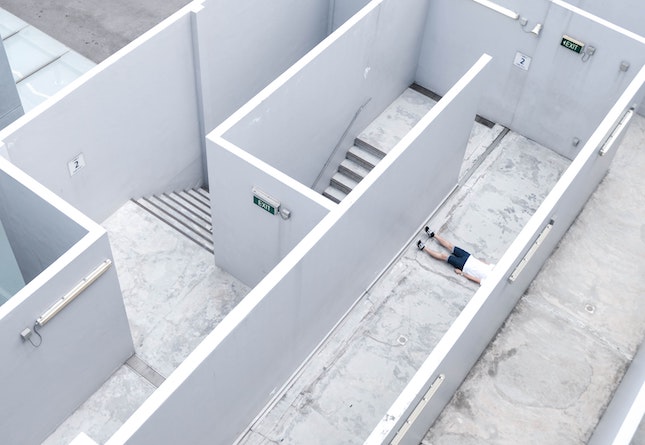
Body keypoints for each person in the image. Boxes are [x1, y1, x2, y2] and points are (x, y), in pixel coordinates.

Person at [417, 227, 494, 285]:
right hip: (469, 257)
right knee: (451, 246)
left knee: (444, 257)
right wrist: (474, 259)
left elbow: (475, 279)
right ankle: (433, 235)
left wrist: (461, 273)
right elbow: (485, 263)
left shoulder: (490, 283)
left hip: (464, 266)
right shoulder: (496, 268)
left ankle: (423, 248)